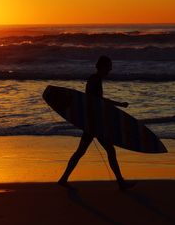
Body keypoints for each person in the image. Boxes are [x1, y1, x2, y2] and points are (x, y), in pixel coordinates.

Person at [58, 56, 135, 190]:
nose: (110, 69)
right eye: (109, 66)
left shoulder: (94, 78)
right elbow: (98, 101)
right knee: (109, 150)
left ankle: (63, 179)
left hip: (92, 122)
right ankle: (121, 183)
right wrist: (119, 104)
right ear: (103, 67)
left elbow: (95, 100)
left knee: (81, 152)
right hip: (95, 124)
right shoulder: (95, 79)